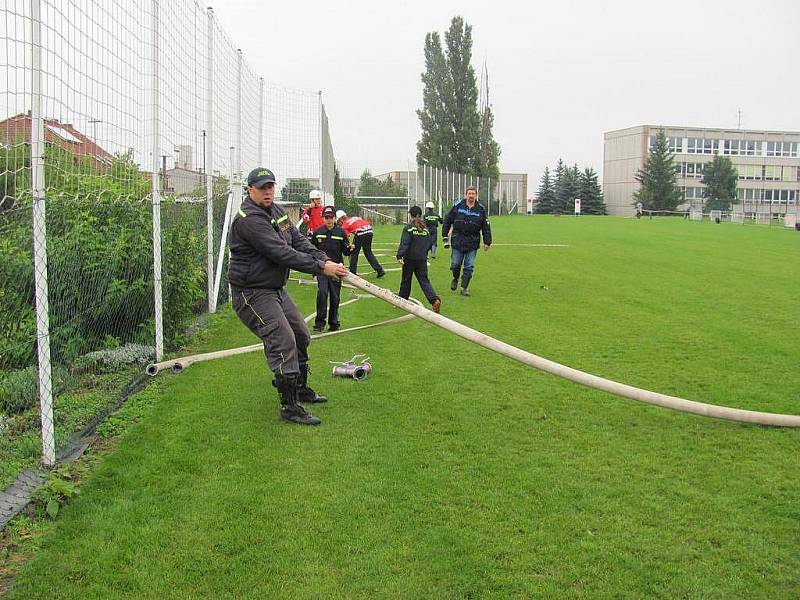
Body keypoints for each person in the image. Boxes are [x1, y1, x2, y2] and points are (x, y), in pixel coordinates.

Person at [228, 167, 348, 426]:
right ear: (250, 190)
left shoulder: (278, 212)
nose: (268, 191)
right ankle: (289, 406)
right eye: (262, 187)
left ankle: (300, 389)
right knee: (283, 341)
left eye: (271, 186)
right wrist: (321, 268)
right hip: (252, 293)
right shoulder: (249, 220)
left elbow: (297, 240)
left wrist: (323, 258)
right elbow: (281, 253)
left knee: (302, 335)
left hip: (274, 289)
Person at [442, 185, 491, 297]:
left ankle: (464, 288)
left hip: (472, 242)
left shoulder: (481, 209)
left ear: (476, 195)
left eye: (473, 194)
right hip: (457, 240)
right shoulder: (458, 206)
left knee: (469, 266)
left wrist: (487, 241)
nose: (471, 196)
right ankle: (455, 278)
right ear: (466, 195)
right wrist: (445, 235)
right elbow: (448, 220)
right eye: (469, 193)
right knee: (455, 264)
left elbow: (486, 226)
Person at [311, 206, 351, 333]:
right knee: (322, 294)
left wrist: (351, 248)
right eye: (326, 217)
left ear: (335, 218)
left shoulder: (341, 233)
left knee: (335, 297)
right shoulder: (317, 232)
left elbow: (345, 250)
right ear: (323, 218)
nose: (328, 220)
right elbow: (312, 250)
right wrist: (314, 268)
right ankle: (319, 323)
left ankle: (334, 323)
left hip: (337, 270)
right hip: (322, 269)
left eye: (331, 217)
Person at [397, 206, 441, 313]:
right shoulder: (425, 229)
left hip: (410, 258)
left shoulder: (409, 228)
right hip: (422, 259)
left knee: (406, 280)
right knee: (424, 281)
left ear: (411, 215)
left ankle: (402, 301)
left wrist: (399, 255)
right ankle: (434, 300)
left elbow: (405, 242)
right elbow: (430, 243)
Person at [337, 210, 385, 278]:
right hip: (369, 231)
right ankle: (380, 270)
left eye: (338, 221)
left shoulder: (345, 224)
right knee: (368, 252)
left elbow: (346, 237)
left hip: (360, 233)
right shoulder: (355, 218)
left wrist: (348, 246)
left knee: (354, 253)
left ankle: (352, 273)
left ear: (341, 219)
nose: (339, 223)